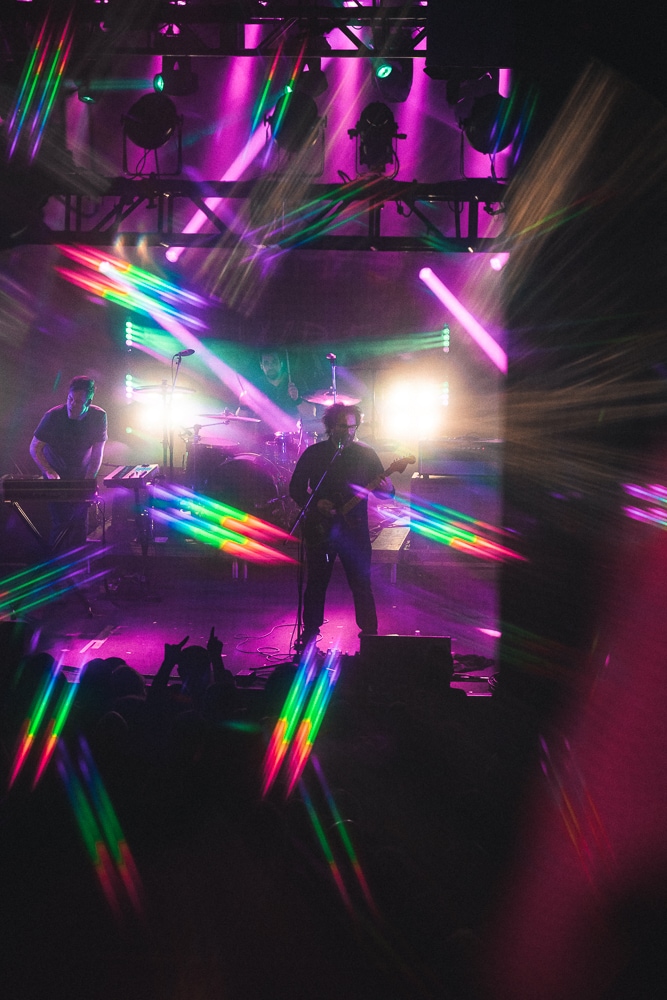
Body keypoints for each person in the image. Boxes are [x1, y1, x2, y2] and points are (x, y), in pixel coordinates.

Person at [289, 403, 394, 648]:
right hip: (320, 528)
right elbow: (295, 488)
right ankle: (310, 635)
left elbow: (385, 494)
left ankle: (370, 634)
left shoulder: (366, 455)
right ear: (330, 427)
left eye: (352, 426)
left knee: (361, 582)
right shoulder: (314, 454)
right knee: (316, 582)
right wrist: (316, 504)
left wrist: (389, 490)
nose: (348, 432)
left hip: (354, 529)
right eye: (342, 427)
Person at [29, 375, 107, 549]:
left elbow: (97, 453)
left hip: (81, 476)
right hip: (56, 475)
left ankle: (77, 571)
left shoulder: (98, 416)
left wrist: (88, 481)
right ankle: (58, 569)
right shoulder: (53, 416)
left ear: (89, 401)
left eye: (79, 401)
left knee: (79, 526)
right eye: (70, 399)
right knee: (61, 524)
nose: (72, 404)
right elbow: (34, 448)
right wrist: (48, 471)